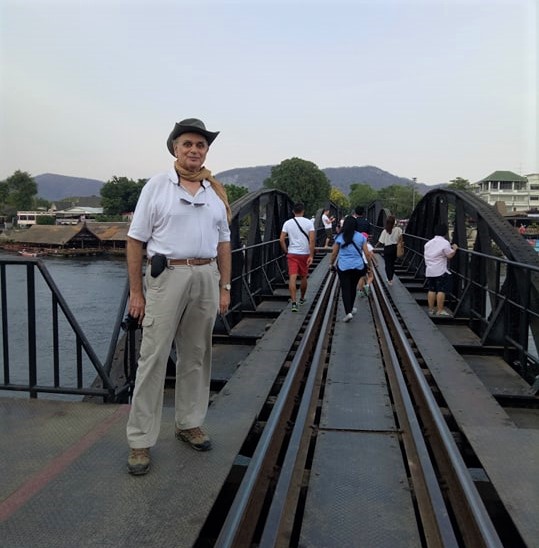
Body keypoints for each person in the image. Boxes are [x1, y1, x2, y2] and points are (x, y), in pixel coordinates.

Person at [125, 118, 232, 475]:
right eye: (187, 144)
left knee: (197, 355)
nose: (194, 150)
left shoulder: (215, 192)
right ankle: (140, 441)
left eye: (200, 145)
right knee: (153, 357)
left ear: (205, 152)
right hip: (167, 274)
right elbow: (136, 241)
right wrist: (136, 293)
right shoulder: (158, 186)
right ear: (175, 148)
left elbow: (224, 243)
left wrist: (225, 286)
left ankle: (189, 422)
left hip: (205, 274)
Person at [329, 216, 369, 322]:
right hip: (358, 266)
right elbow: (367, 253)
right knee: (353, 288)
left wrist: (331, 264)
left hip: (344, 267)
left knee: (345, 289)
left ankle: (348, 312)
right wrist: (369, 265)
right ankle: (350, 308)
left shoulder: (340, 237)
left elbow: (334, 253)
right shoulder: (361, 237)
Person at [279, 203, 315, 312]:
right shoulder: (309, 223)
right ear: (303, 211)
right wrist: (311, 255)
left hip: (292, 253)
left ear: (293, 212)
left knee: (292, 278)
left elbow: (281, 239)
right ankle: (302, 298)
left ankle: (294, 302)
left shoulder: (287, 223)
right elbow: (312, 240)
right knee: (304, 277)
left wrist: (286, 250)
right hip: (304, 254)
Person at [424, 223, 458, 317]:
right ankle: (440, 310)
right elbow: (449, 255)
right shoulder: (445, 243)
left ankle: (431, 309)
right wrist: (454, 249)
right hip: (440, 270)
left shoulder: (428, 243)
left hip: (430, 270)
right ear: (445, 233)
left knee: (431, 289)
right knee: (441, 290)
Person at [376, 215, 403, 285]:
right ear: (394, 222)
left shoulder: (385, 230)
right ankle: (391, 277)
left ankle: (389, 279)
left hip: (387, 248)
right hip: (394, 248)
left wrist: (375, 246)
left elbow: (380, 241)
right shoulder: (398, 229)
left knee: (387, 264)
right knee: (392, 264)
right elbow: (401, 238)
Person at [357, 232, 375, 296]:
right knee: (371, 276)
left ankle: (359, 291)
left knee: (361, 277)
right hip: (366, 263)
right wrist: (373, 263)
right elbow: (371, 254)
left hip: (360, 263)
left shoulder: (358, 245)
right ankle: (367, 285)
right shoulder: (368, 246)